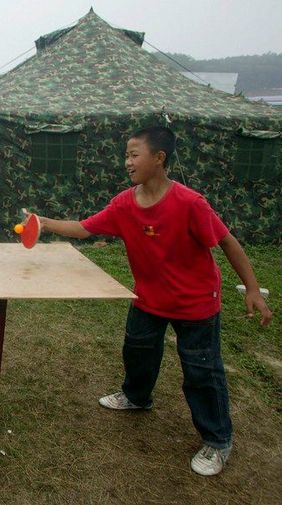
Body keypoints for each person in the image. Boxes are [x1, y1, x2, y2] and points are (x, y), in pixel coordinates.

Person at [28, 126, 272, 476]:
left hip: (196, 304)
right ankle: (137, 397)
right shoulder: (125, 204)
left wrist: (251, 288)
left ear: (159, 158)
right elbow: (84, 228)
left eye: (134, 154)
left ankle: (218, 440)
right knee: (138, 350)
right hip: (148, 299)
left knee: (202, 372)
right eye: (126, 155)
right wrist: (44, 222)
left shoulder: (190, 203)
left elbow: (228, 242)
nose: (127, 162)